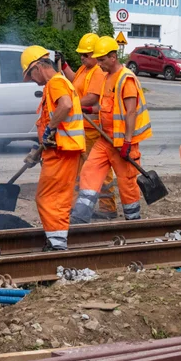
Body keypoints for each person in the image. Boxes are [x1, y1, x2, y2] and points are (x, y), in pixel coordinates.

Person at [71, 36, 152, 224]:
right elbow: (106, 106)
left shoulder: (126, 79)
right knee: (89, 171)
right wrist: (89, 109)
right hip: (105, 139)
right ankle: (80, 216)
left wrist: (128, 142)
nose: (99, 64)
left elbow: (130, 112)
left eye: (102, 60)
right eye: (98, 60)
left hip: (122, 142)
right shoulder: (107, 78)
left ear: (113, 57)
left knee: (126, 181)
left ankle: (133, 220)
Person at [21, 45, 86, 251]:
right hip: (62, 150)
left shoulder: (55, 83)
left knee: (47, 197)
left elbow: (65, 105)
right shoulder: (60, 82)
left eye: (30, 74)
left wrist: (50, 128)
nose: (32, 80)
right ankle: (58, 241)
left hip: (61, 151)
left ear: (38, 67)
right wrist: (40, 145)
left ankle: (57, 245)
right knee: (59, 198)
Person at [71, 32, 118, 220]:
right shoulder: (85, 70)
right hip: (85, 128)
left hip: (95, 130)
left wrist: (74, 106)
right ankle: (77, 206)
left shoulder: (99, 72)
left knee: (101, 170)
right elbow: (76, 82)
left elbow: (93, 98)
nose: (82, 57)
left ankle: (108, 207)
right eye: (81, 54)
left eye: (86, 55)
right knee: (82, 169)